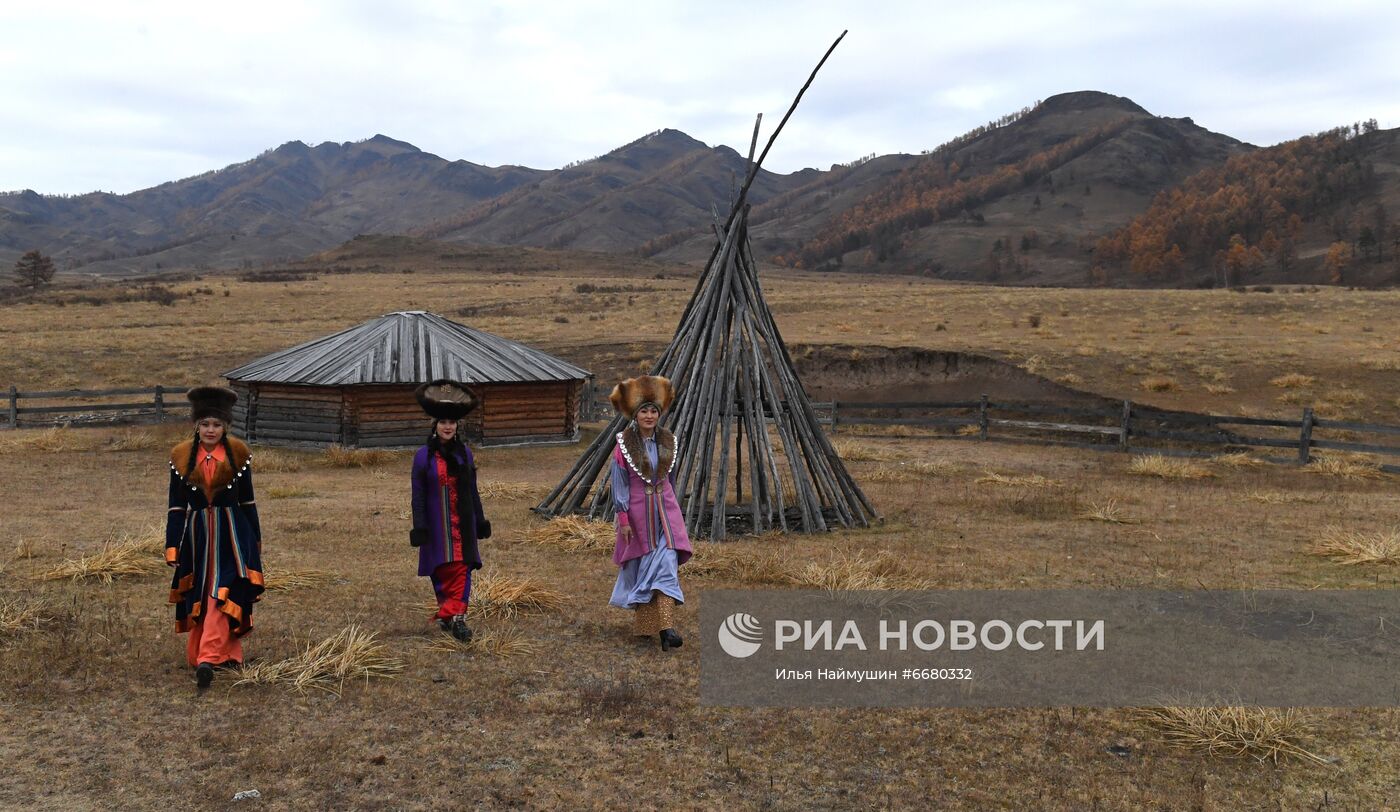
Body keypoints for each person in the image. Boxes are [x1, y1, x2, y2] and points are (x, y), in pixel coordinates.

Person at [164, 386, 263, 690]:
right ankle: (217, 654)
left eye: (217, 425)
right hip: (197, 537)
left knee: (224, 591)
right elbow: (176, 505)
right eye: (205, 424)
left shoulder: (238, 454)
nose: (211, 430)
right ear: (196, 425)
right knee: (201, 594)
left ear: (226, 426)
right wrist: (172, 545)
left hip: (232, 534)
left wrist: (255, 544)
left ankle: (208, 658)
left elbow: (248, 502)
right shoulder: (181, 456)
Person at [608, 375, 693, 651]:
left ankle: (667, 629)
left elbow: (671, 479)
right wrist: (623, 520)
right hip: (637, 516)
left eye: (653, 410)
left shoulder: (668, 441)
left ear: (659, 413)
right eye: (643, 410)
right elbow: (619, 484)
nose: (649, 415)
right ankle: (646, 625)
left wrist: (673, 510)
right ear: (635, 414)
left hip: (665, 514)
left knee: (666, 563)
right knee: (643, 567)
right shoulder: (624, 445)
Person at [410, 379, 490, 643]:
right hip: (435, 526)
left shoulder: (464, 454)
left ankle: (459, 619)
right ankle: (447, 613)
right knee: (440, 571)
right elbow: (418, 494)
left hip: (462, 525)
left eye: (452, 423)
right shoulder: (423, 457)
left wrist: (480, 520)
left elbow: (473, 489)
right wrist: (419, 526)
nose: (448, 427)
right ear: (435, 426)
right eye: (443, 422)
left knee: (462, 569)